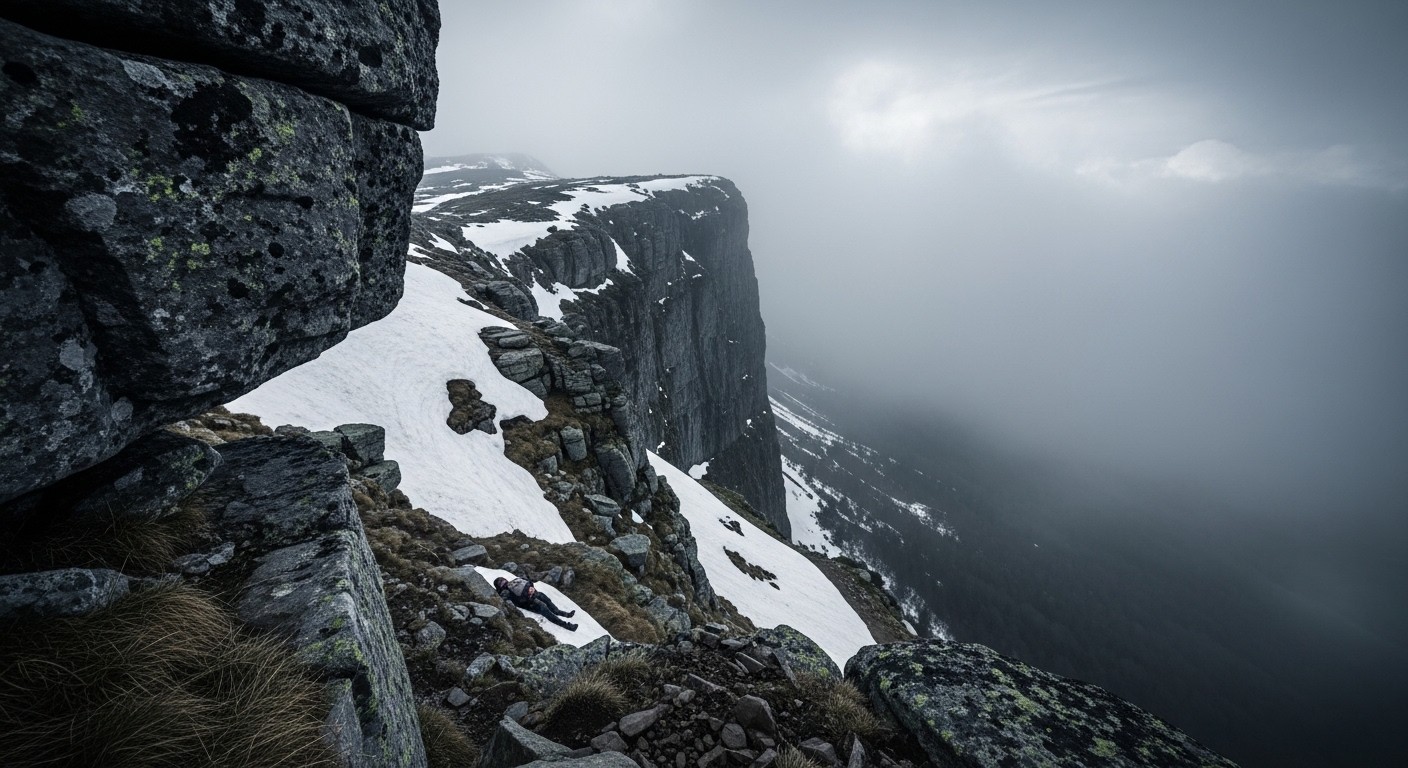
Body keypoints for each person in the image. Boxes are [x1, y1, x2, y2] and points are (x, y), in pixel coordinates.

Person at [494, 575, 578, 630]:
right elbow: (529, 582)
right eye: (501, 582)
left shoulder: (511, 585)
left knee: (550, 609)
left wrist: (530, 589)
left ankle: (566, 615)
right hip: (532, 603)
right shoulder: (508, 589)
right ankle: (568, 626)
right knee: (549, 612)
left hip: (533, 599)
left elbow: (528, 583)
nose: (504, 582)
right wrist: (531, 589)